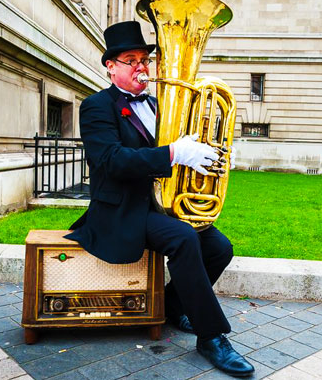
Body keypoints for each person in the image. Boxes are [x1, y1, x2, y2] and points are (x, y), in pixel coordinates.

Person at [65, 21, 254, 378]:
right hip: (121, 210)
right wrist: (173, 154)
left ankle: (170, 306)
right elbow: (111, 161)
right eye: (131, 59)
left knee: (220, 247)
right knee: (183, 239)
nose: (141, 67)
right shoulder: (95, 107)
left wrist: (204, 157)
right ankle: (211, 337)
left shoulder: (159, 104)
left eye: (145, 60)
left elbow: (180, 152)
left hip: (161, 205)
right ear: (111, 66)